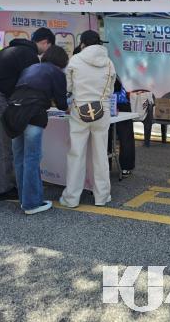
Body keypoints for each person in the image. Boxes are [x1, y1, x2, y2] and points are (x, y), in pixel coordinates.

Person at [0, 27, 55, 200]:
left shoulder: (9, 50)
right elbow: (31, 86)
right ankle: (3, 189)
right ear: (45, 42)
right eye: (49, 47)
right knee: (1, 144)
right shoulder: (29, 55)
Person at [2, 45, 68, 215]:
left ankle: (24, 200)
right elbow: (62, 104)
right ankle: (32, 204)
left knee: (19, 158)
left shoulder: (30, 68)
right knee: (32, 159)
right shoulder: (57, 73)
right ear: (62, 61)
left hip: (13, 114)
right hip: (33, 114)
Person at [60, 31, 115, 208]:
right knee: (100, 154)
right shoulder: (108, 62)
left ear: (83, 44)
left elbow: (68, 87)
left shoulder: (75, 60)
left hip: (80, 110)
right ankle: (102, 197)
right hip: (102, 109)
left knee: (76, 153)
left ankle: (72, 198)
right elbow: (111, 89)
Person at [107, 73, 137, 177]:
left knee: (107, 134)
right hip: (113, 100)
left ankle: (108, 166)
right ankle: (125, 167)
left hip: (113, 100)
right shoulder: (108, 67)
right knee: (125, 136)